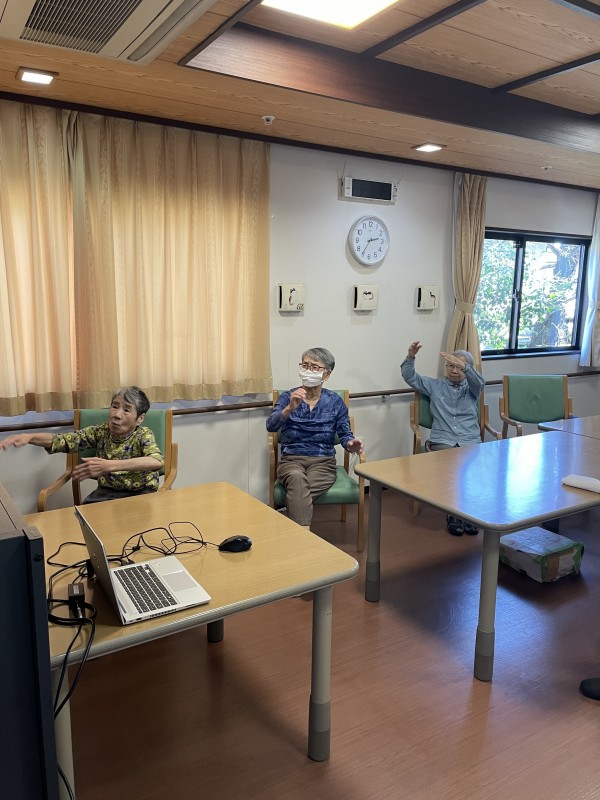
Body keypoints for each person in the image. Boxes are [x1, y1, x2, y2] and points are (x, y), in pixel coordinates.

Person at [0, 386, 164, 504]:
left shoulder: (143, 434)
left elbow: (156, 461)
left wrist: (110, 465)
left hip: (141, 495)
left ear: (140, 418)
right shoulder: (100, 432)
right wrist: (29, 437)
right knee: (83, 524)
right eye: (115, 407)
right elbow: (62, 440)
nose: (116, 415)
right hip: (107, 494)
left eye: (126, 410)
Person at [266, 347, 363, 530]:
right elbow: (271, 426)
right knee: (296, 478)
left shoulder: (335, 401)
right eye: (305, 365)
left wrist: (352, 444)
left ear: (326, 374)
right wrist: (289, 409)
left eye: (314, 367)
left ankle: (297, 534)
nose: (308, 370)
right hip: (291, 460)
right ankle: (304, 536)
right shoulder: (288, 397)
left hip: (323, 462)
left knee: (298, 490)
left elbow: (345, 435)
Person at [401, 341, 484, 536]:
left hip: (469, 439)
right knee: (453, 465)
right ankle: (454, 514)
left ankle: (469, 515)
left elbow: (480, 382)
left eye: (459, 367)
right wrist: (411, 357)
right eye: (451, 366)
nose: (454, 370)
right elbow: (410, 377)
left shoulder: (472, 388)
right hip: (443, 440)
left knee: (471, 467)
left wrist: (466, 368)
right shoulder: (435, 385)